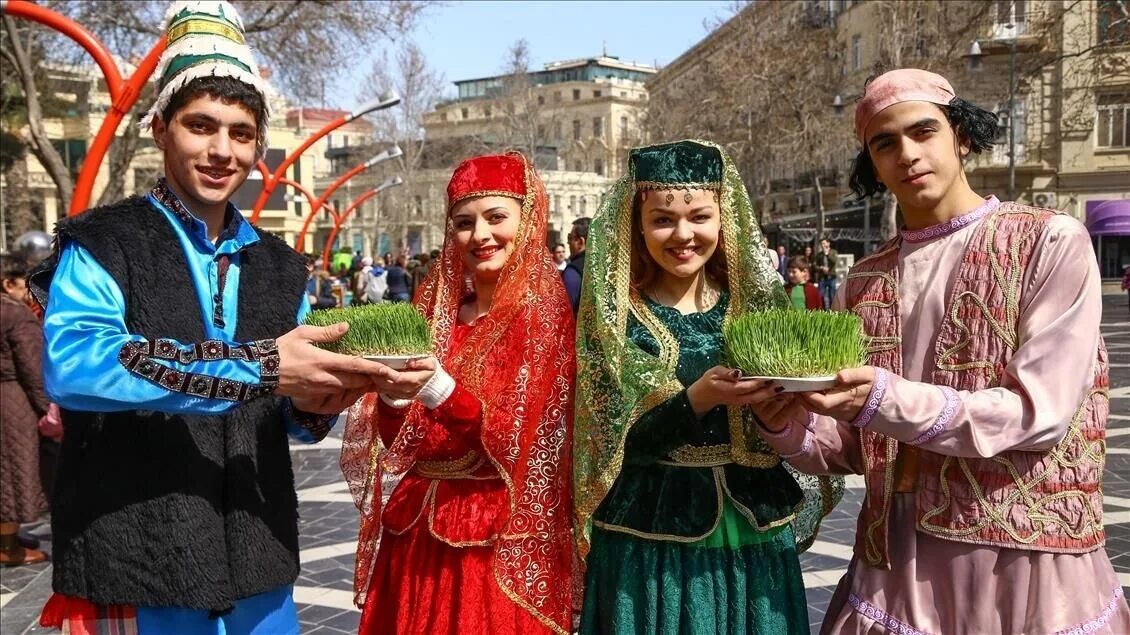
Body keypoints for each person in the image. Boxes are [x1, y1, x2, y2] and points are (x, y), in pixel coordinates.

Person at [29, 3, 400, 632]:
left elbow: (282, 415)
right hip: (140, 556)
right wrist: (261, 366)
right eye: (201, 126)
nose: (222, 150)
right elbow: (75, 363)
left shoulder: (282, 265)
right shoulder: (103, 241)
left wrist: (326, 396)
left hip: (258, 555)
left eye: (241, 132)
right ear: (159, 128)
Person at [752, 68, 1129, 634]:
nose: (907, 153)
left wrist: (884, 396)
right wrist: (788, 424)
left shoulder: (1049, 242)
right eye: (885, 143)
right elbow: (859, 446)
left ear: (962, 137)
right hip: (896, 557)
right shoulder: (866, 278)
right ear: (872, 165)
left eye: (923, 131)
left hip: (1021, 552)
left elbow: (1038, 412)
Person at [573, 140, 842, 634]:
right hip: (651, 531)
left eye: (699, 216)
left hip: (752, 527)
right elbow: (605, 445)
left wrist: (782, 406)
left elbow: (790, 426)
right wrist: (698, 399)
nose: (683, 234)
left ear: (724, 218)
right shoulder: (615, 320)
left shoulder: (757, 311)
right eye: (662, 220)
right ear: (637, 224)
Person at [341, 151, 575, 634]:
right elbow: (400, 441)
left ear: (528, 221)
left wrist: (439, 389)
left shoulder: (543, 324)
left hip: (493, 544)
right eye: (464, 223)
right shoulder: (436, 319)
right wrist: (392, 396)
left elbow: (519, 442)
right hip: (414, 539)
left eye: (495, 218)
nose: (480, 236)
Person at [0, 255, 49, 566]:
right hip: (12, 402)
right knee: (11, 476)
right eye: (24, 284)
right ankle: (9, 547)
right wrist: (49, 409)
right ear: (8, 283)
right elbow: (33, 368)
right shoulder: (15, 314)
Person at [561, 217, 589, 313]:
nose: (568, 243)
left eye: (570, 238)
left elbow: (565, 312)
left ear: (580, 242)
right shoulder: (608, 267)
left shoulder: (573, 272)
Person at [813, 238, 838, 309]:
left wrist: (827, 254)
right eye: (822, 244)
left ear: (828, 243)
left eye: (824, 243)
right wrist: (821, 268)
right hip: (822, 277)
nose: (823, 245)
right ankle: (822, 309)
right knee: (821, 295)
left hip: (831, 277)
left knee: (832, 295)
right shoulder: (819, 255)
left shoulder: (833, 252)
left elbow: (834, 261)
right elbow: (815, 266)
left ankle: (832, 310)